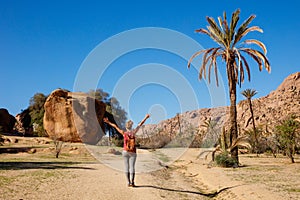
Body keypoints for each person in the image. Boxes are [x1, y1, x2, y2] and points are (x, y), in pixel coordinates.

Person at [103, 114, 150, 187]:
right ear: (131, 126)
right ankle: (133, 182)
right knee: (132, 167)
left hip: (125, 151)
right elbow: (140, 124)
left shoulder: (123, 133)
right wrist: (146, 117)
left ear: (126, 127)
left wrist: (108, 121)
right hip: (133, 152)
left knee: (126, 167)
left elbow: (115, 126)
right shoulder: (134, 132)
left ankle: (128, 182)